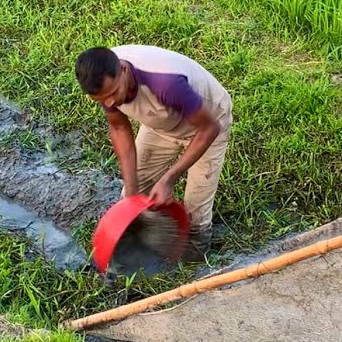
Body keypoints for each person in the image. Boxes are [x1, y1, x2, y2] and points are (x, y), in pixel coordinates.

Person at [75, 45, 233, 261]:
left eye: (112, 94)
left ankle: (195, 258)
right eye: (102, 100)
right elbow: (120, 128)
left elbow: (210, 129)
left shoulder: (165, 83)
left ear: (123, 70)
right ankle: (144, 243)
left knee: (195, 211)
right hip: (161, 124)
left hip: (208, 122)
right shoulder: (104, 81)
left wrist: (169, 179)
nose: (109, 103)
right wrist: (131, 190)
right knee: (130, 198)